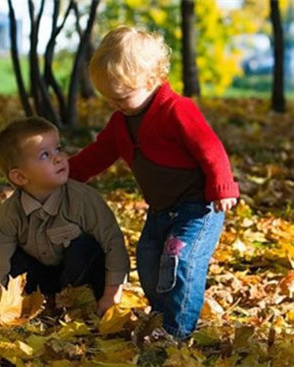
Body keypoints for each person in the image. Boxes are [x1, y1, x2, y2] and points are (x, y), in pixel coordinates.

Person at [68, 26, 239, 339]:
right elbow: (98, 153)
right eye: (109, 98)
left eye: (121, 96)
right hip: (161, 209)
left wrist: (222, 186)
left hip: (198, 206)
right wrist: (66, 174)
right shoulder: (121, 121)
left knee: (179, 260)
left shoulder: (177, 110)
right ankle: (163, 314)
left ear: (150, 79)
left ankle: (176, 331)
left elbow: (210, 148)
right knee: (148, 260)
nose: (115, 104)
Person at [0, 116, 130, 321]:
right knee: (9, 253)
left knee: (84, 247)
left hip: (82, 279)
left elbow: (114, 244)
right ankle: (33, 302)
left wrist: (112, 295)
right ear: (20, 177)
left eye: (58, 149)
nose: (58, 158)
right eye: (44, 155)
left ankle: (76, 304)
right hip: (41, 281)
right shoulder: (10, 213)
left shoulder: (84, 200)